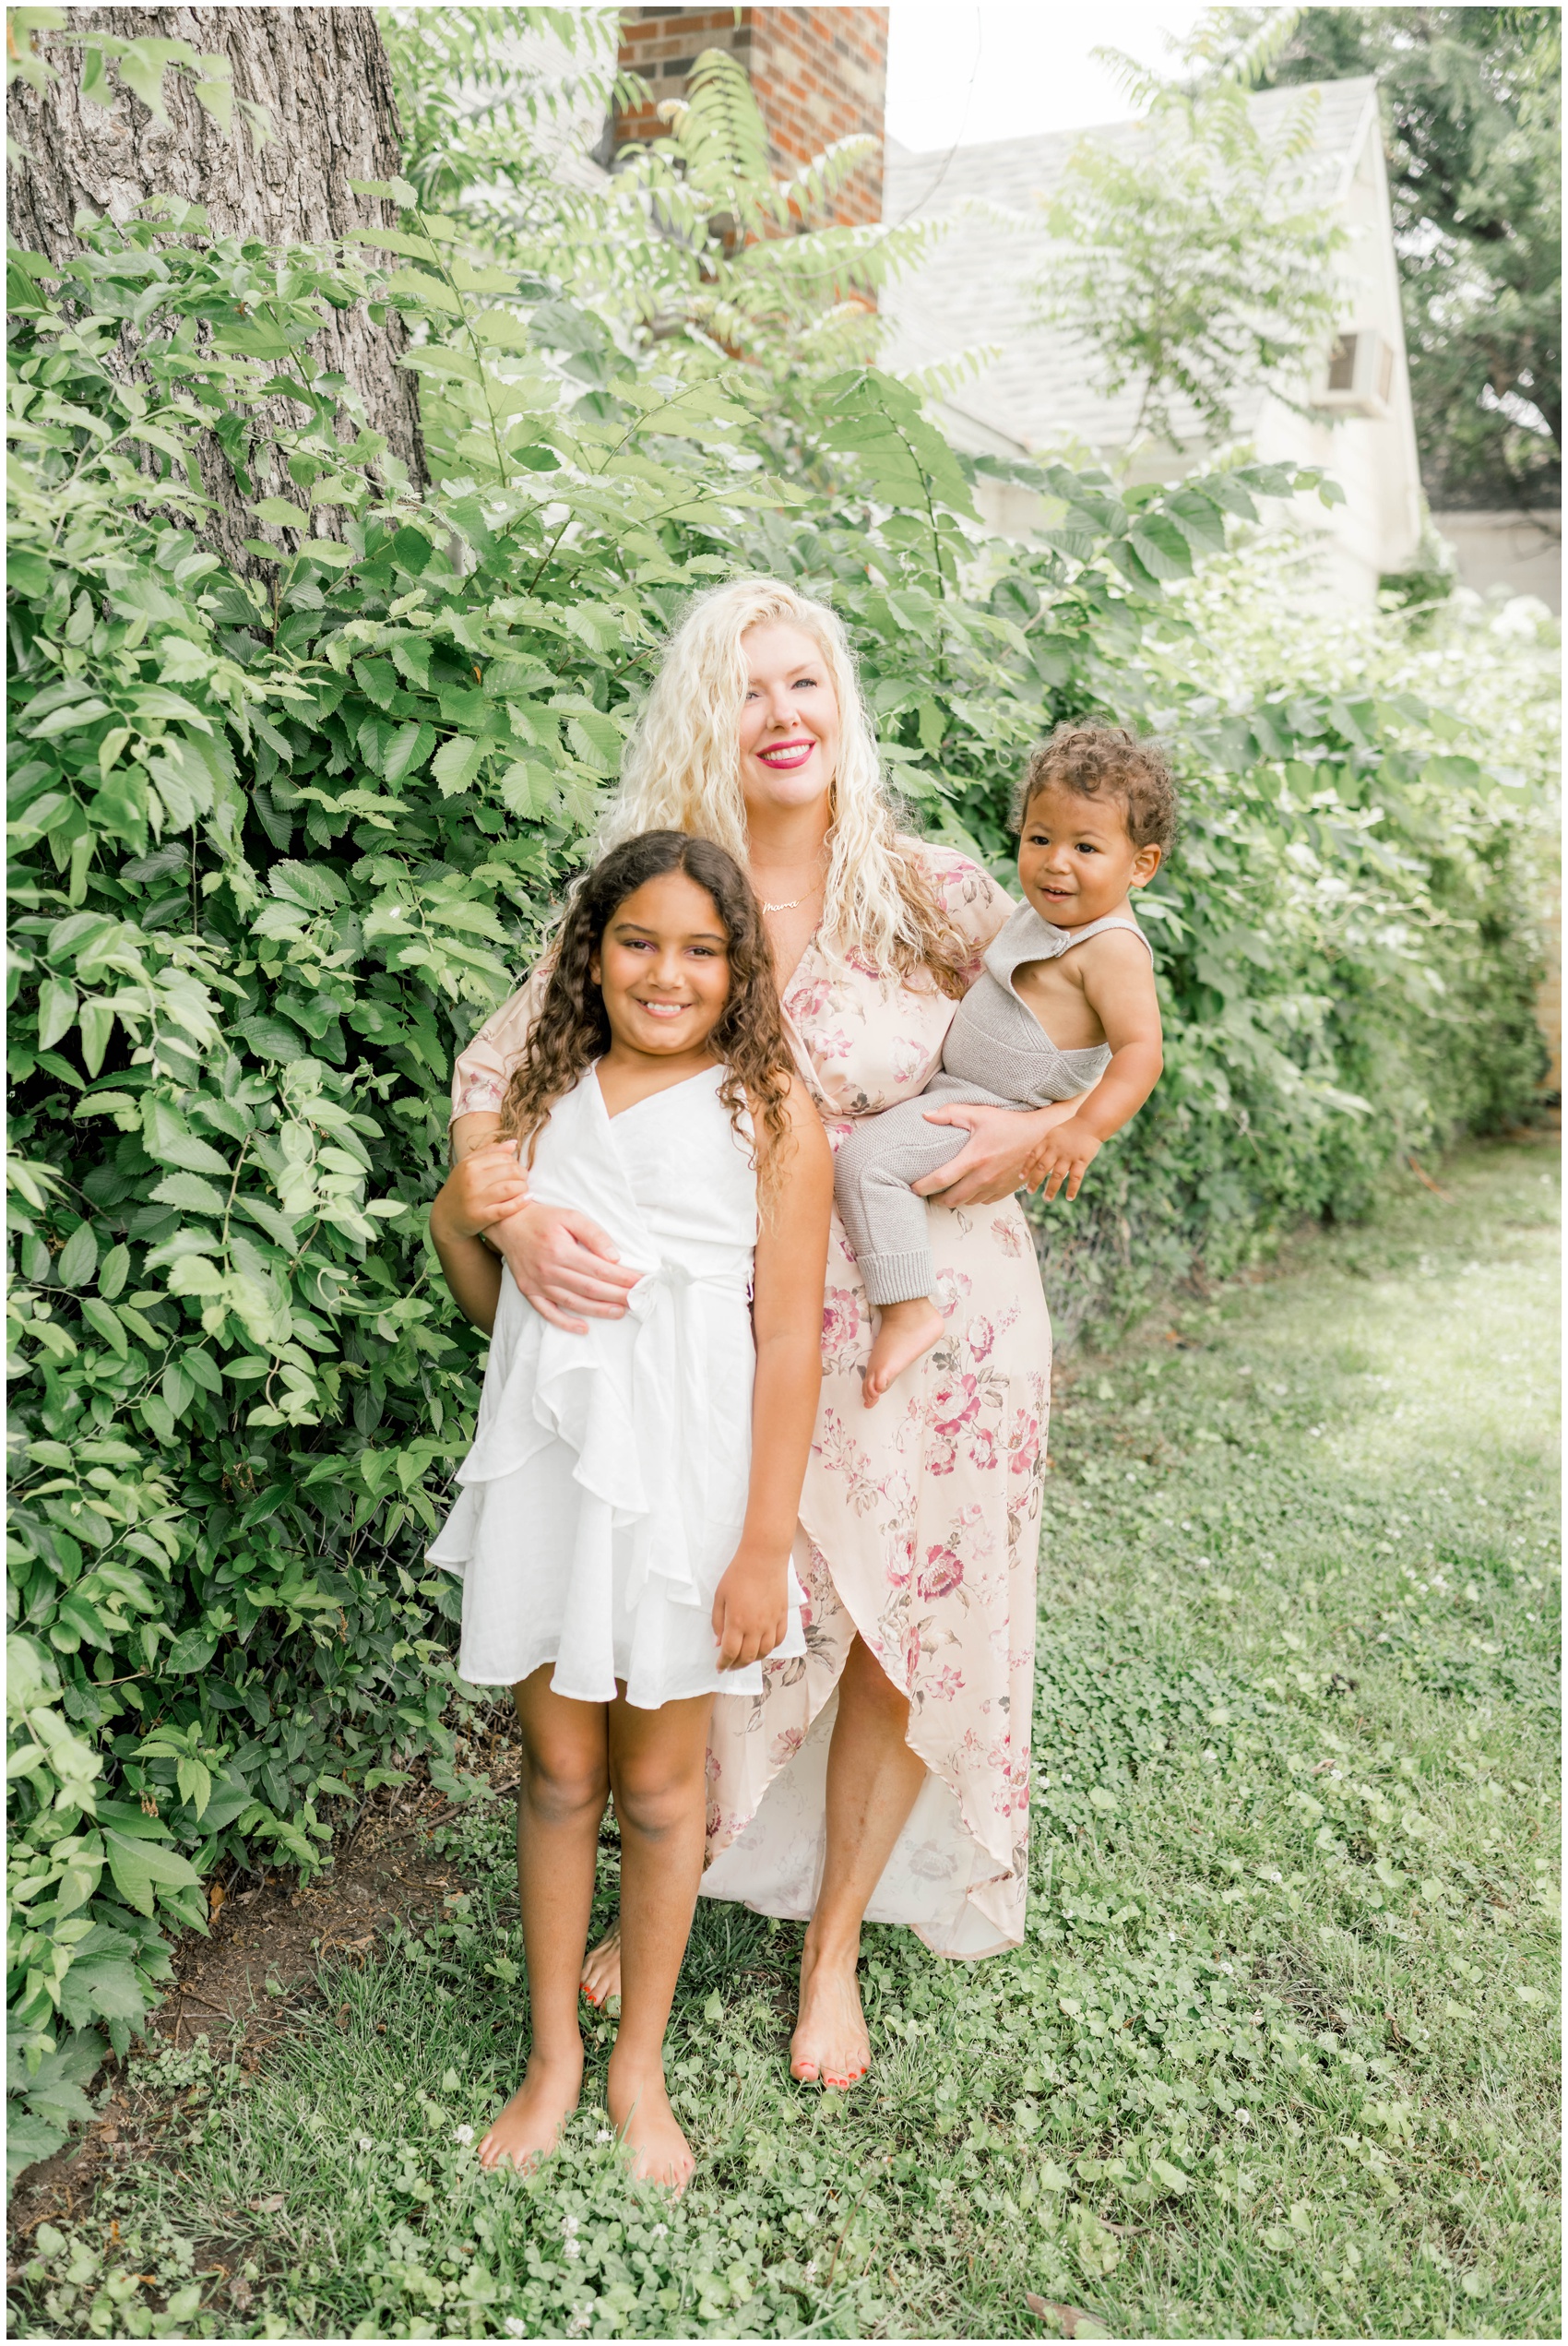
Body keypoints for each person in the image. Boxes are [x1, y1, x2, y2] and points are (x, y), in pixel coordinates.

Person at [435, 579, 1086, 2097]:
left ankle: (835, 1942)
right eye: (751, 688)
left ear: (841, 701)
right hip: (732, 1338)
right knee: (721, 1601)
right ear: (702, 721)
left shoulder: (925, 891)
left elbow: (1093, 1019)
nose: (786, 715)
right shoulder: (662, 890)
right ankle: (695, 1865)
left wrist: (1041, 1126)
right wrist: (512, 1210)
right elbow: (494, 1074)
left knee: (898, 1628)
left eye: (808, 682)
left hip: (945, 1323)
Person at [429, 831, 832, 2185]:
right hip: (554, 1468)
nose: (667, 971)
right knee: (557, 1773)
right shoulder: (548, 1098)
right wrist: (459, 1220)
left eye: (702, 948)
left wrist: (764, 1539)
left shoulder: (769, 1108)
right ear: (591, 954)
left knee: (660, 1791)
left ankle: (636, 2065)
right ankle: (551, 2055)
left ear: (741, 968)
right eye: (638, 941)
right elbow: (504, 1318)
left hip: (691, 1484)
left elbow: (787, 1340)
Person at [838, 723, 1174, 1404]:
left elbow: (1142, 1053)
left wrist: (1083, 1129)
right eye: (1040, 838)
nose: (1056, 862)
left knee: (865, 1163)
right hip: (960, 1087)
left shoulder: (1111, 948)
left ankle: (909, 1309)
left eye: (1086, 847)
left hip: (993, 1110)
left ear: (1140, 865)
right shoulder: (1046, 916)